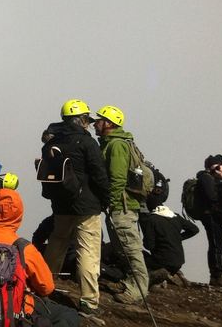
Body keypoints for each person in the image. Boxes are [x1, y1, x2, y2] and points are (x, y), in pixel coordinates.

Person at [0, 189, 81, 327]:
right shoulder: (24, 248)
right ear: (18, 214)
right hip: (14, 311)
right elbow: (47, 288)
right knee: (69, 314)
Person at [41, 100, 110, 318]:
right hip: (87, 207)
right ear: (81, 120)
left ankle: (43, 287)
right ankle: (89, 302)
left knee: (56, 244)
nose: (89, 124)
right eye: (87, 120)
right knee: (88, 251)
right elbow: (99, 174)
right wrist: (106, 199)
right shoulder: (87, 143)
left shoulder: (50, 144)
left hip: (61, 205)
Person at [93, 105, 150, 305]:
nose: (95, 124)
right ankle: (132, 283)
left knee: (130, 247)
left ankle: (138, 290)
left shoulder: (116, 145)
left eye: (99, 121)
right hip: (121, 205)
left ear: (109, 123)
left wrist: (110, 202)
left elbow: (117, 178)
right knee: (123, 247)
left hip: (122, 206)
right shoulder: (113, 143)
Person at [142, 191, 199, 284]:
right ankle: (175, 273)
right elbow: (194, 229)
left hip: (161, 261)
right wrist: (178, 238)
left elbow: (149, 246)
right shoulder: (175, 216)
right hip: (179, 262)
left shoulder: (151, 220)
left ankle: (156, 274)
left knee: (139, 257)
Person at [196, 154, 222, 290]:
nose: (217, 171)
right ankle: (217, 276)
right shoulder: (212, 180)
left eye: (218, 167)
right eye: (213, 170)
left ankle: (217, 276)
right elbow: (212, 197)